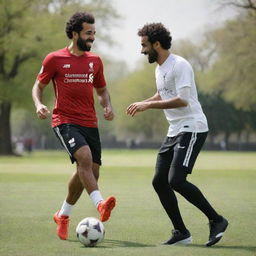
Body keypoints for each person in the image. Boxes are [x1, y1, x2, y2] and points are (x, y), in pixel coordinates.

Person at [126, 23, 228, 247]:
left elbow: (182, 99)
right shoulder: (159, 67)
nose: (142, 50)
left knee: (176, 180)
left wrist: (148, 107)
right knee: (159, 181)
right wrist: (145, 102)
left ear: (157, 44)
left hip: (192, 127)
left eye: (144, 45)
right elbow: (162, 93)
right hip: (174, 130)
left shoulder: (180, 65)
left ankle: (217, 220)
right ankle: (181, 232)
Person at [32, 12, 116, 240]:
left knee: (90, 172)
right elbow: (38, 86)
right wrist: (39, 104)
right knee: (85, 159)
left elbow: (101, 90)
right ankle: (100, 205)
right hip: (64, 120)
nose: (92, 38)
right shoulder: (54, 59)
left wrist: (107, 105)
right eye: (89, 33)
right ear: (75, 33)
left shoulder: (95, 61)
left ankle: (63, 215)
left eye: (94, 33)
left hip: (90, 122)